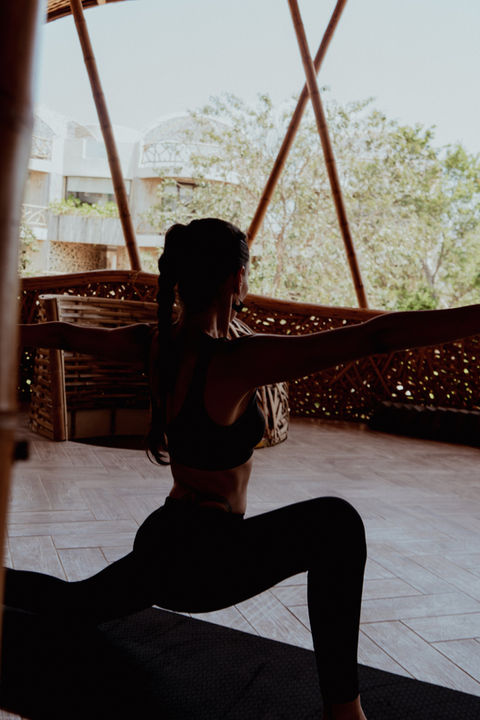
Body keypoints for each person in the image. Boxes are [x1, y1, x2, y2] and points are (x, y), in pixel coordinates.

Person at [6, 218, 480, 720]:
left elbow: (59, 333)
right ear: (236, 278)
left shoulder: (154, 343)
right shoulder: (236, 361)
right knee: (336, 524)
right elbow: (376, 336)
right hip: (206, 563)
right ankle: (345, 714)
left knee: (71, 603)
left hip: (163, 542)